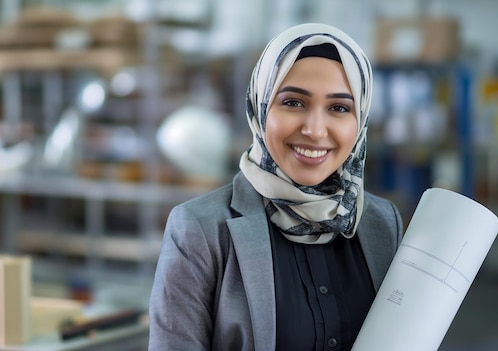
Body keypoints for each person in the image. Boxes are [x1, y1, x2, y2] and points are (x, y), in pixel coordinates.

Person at [148, 23, 403, 350]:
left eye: (339, 108)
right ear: (261, 107)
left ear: (361, 121)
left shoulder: (382, 223)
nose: (314, 129)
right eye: (294, 102)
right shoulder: (200, 230)